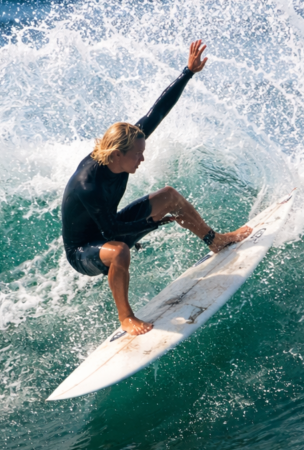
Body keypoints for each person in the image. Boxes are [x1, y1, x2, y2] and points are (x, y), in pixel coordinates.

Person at [60, 41, 252, 335]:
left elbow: (157, 112)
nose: (142, 158)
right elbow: (111, 231)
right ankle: (126, 318)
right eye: (137, 155)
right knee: (120, 250)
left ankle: (215, 240)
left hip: (108, 228)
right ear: (116, 156)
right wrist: (150, 222)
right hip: (84, 251)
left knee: (169, 196)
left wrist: (187, 72)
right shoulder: (88, 185)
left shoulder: (123, 147)